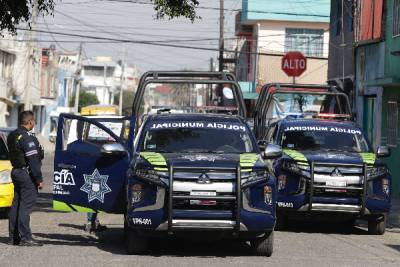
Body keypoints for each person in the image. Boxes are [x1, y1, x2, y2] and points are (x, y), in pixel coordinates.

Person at [7, 111, 44, 246]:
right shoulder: (27, 137)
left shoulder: (12, 135)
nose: (34, 123)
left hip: (16, 171)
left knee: (16, 205)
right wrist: (38, 178)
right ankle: (26, 238)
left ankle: (14, 237)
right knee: (25, 206)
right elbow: (33, 159)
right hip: (25, 174)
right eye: (34, 121)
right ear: (30, 122)